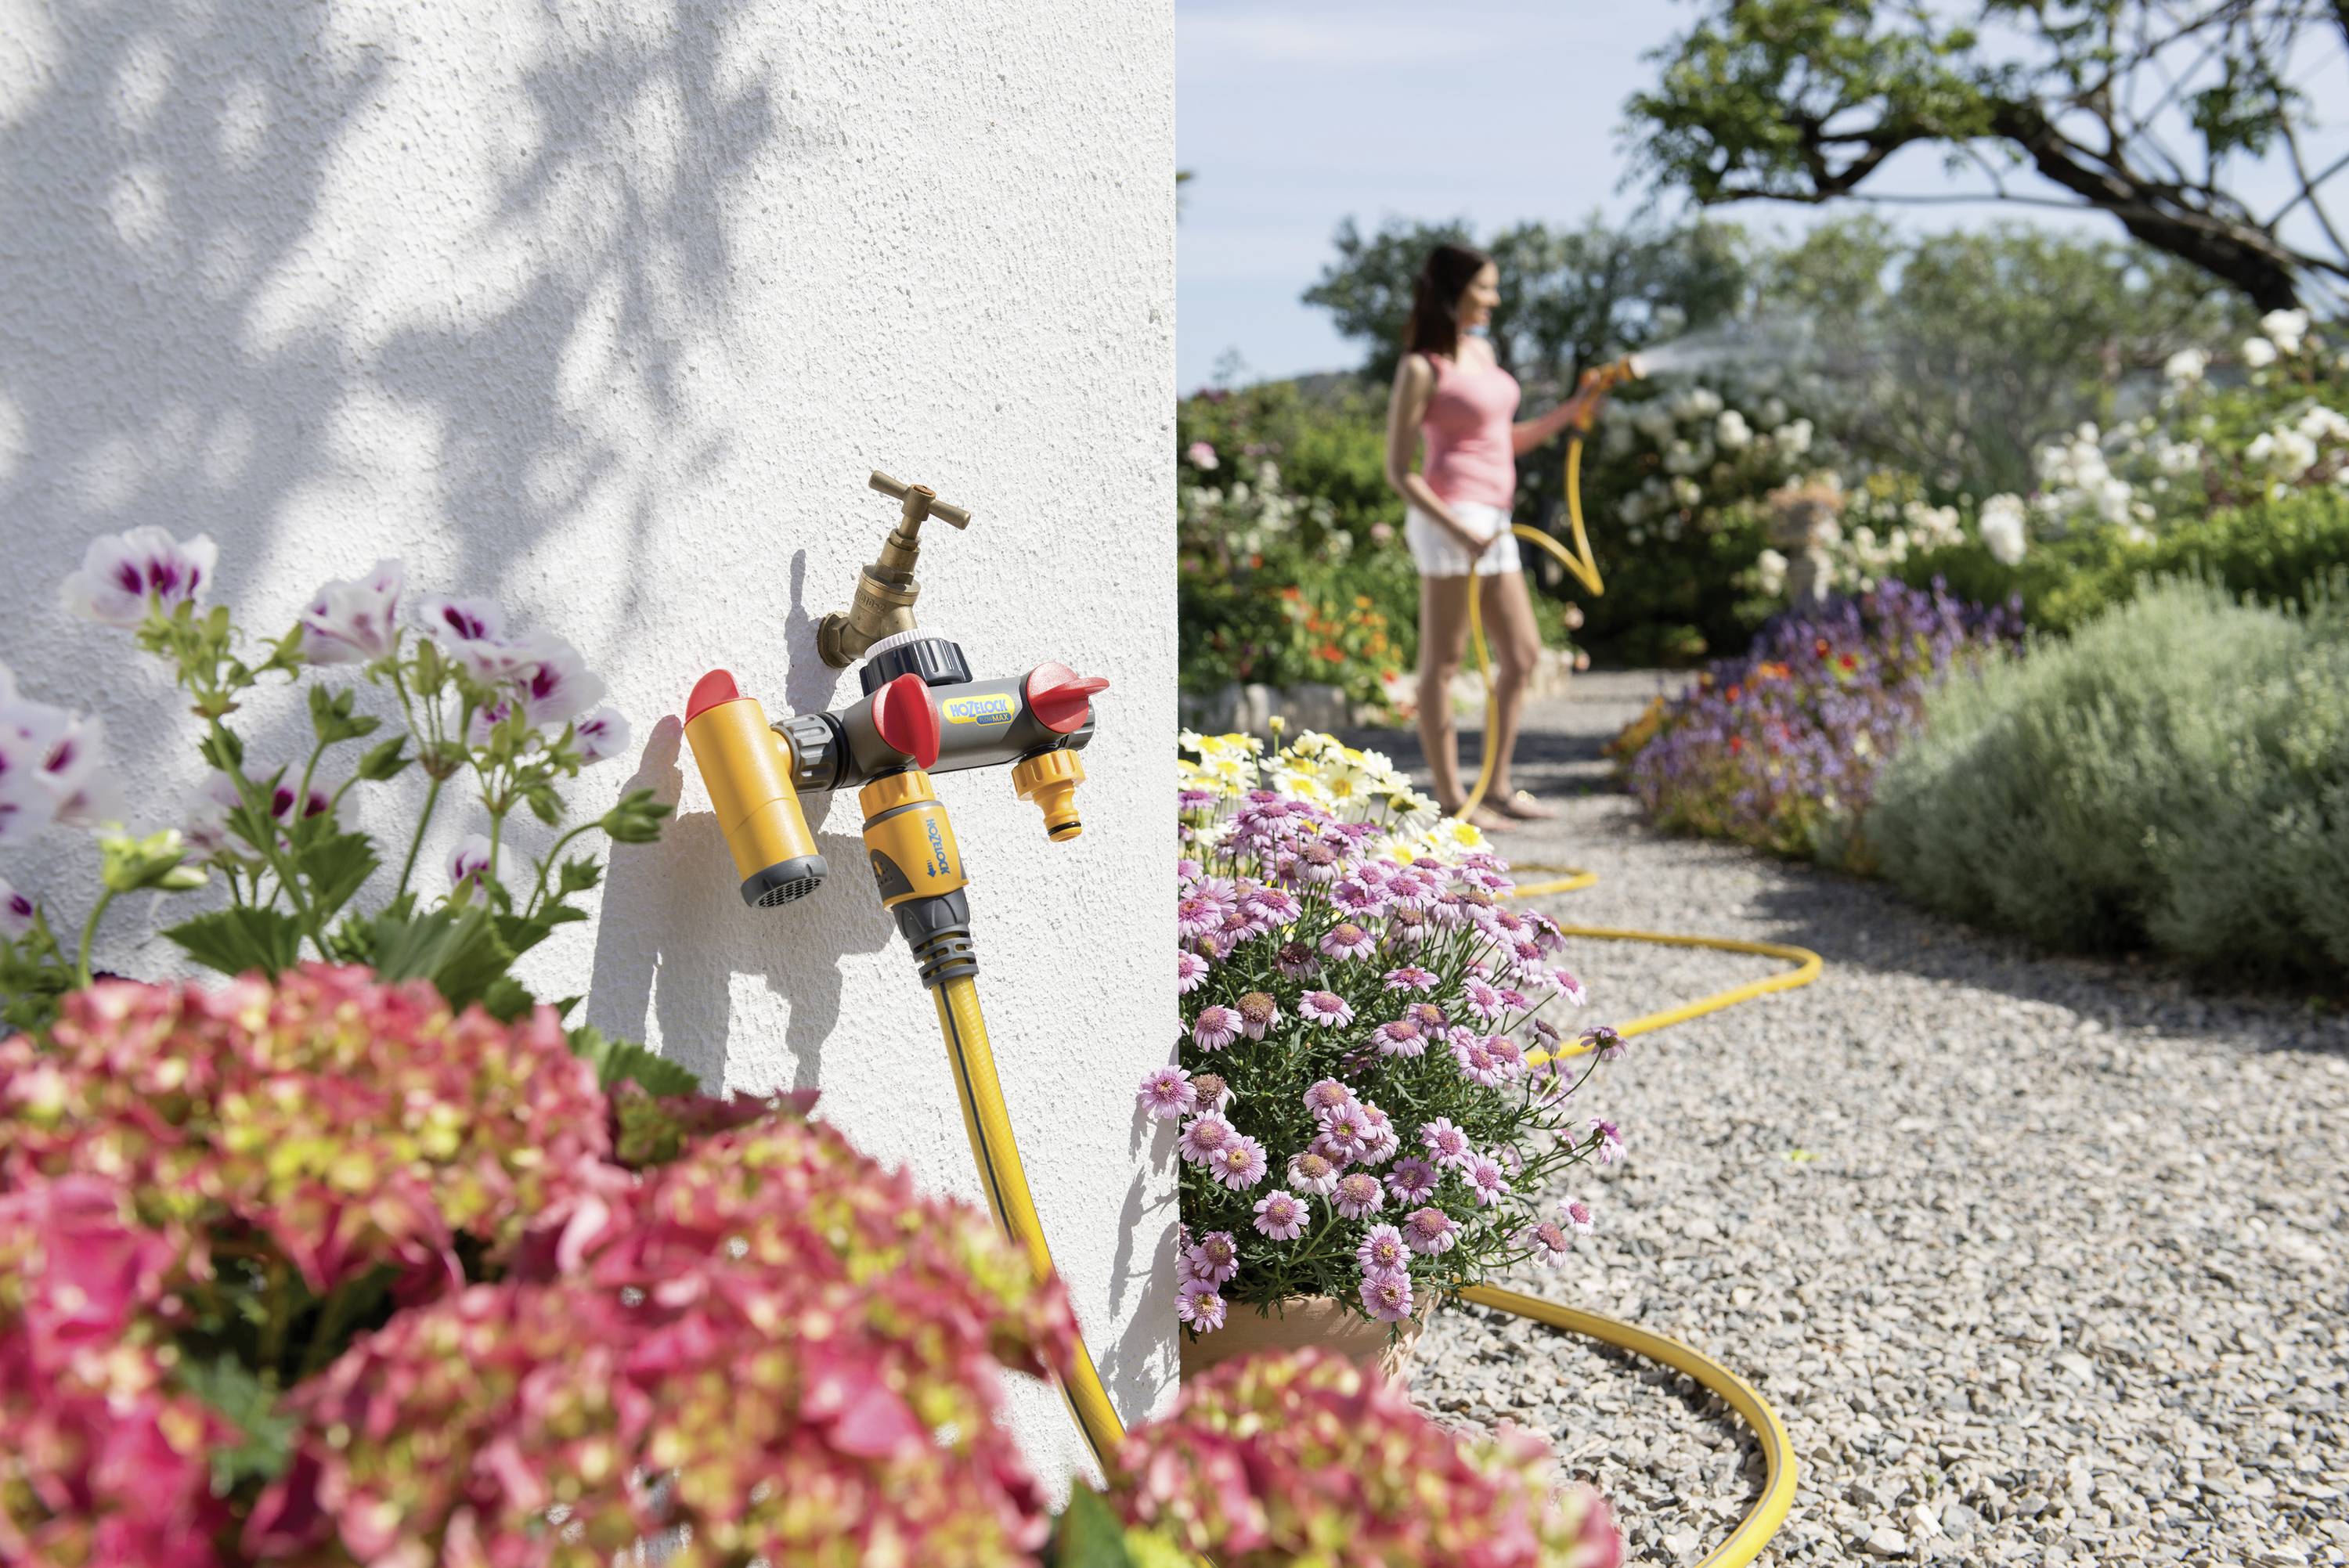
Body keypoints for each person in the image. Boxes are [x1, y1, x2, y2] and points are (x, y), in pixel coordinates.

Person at [1383, 243, 1606, 831]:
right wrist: (1458, 528)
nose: (1494, 299)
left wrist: (1574, 410)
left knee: (1524, 654)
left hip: (1496, 520)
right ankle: (1456, 798)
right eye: (1485, 288)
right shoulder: (1421, 366)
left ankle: (1499, 786)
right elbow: (1399, 470)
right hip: (1448, 518)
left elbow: (1504, 440)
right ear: (1454, 292)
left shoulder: (1481, 352)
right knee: (1446, 661)